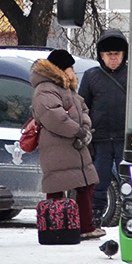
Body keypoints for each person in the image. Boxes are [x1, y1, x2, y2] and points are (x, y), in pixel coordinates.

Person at [31, 48, 101, 239]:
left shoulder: (65, 88)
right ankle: (55, 228)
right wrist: (78, 131)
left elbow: (83, 109)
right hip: (58, 147)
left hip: (74, 146)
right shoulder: (45, 89)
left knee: (86, 184)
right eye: (70, 67)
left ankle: (83, 226)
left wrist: (85, 127)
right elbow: (55, 118)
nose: (72, 70)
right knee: (56, 189)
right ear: (61, 68)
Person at [78, 29, 127, 228]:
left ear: (123, 55)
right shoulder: (91, 77)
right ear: (101, 55)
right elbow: (82, 107)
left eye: (116, 54)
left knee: (131, 180)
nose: (113, 58)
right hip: (101, 140)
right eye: (108, 54)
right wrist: (86, 132)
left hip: (126, 138)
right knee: (99, 181)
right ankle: (94, 217)